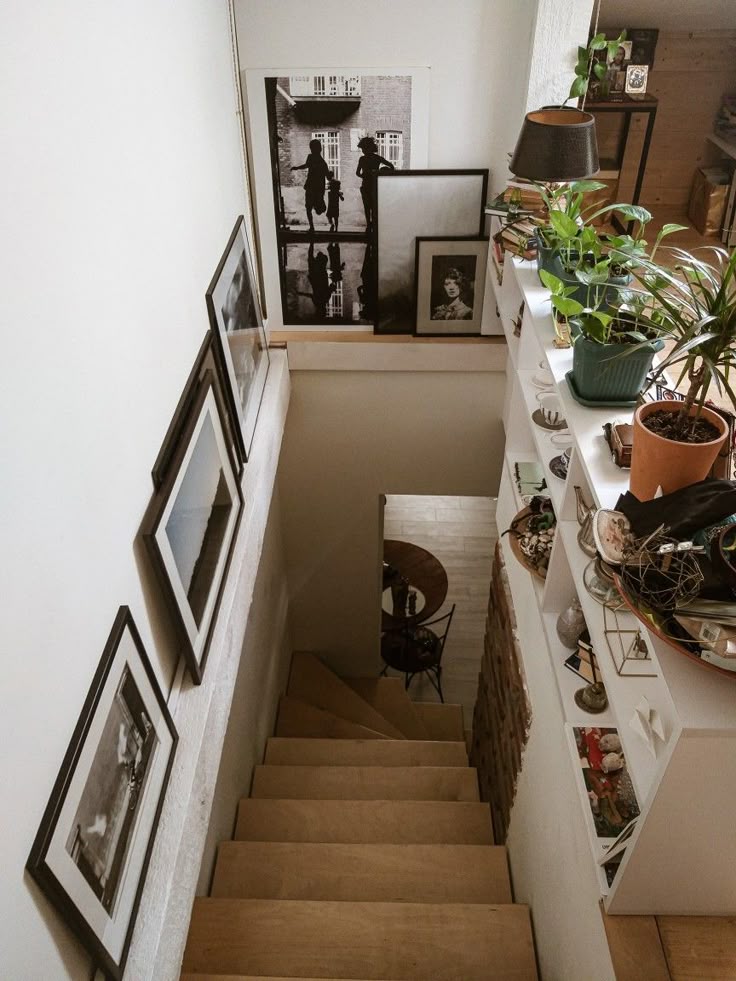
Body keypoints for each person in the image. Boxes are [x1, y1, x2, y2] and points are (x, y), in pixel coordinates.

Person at [291, 138, 331, 232]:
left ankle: (313, 223)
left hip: (313, 187)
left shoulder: (316, 160)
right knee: (310, 207)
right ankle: (312, 225)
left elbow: (306, 165)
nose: (312, 150)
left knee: (310, 207)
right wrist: (330, 176)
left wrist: (297, 168)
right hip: (316, 187)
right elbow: (328, 176)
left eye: (312, 148)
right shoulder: (322, 162)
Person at [355, 135, 394, 228]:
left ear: (368, 148)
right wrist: (382, 174)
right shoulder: (377, 158)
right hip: (374, 185)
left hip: (366, 185)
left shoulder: (362, 159)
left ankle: (369, 225)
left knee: (367, 207)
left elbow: (357, 173)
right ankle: (374, 225)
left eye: (363, 148)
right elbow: (391, 166)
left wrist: (364, 176)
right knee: (374, 206)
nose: (363, 151)